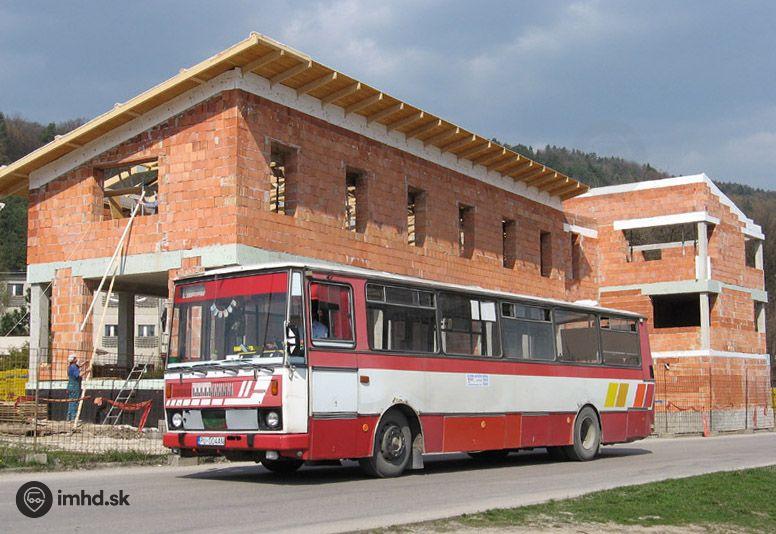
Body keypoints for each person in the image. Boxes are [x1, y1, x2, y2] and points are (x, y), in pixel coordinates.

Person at [66, 354, 83, 421]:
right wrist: (87, 370)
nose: (77, 359)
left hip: (70, 386)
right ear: (73, 360)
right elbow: (79, 375)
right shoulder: (74, 367)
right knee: (75, 402)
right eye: (75, 358)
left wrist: (85, 363)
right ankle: (74, 417)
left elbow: (79, 366)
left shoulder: (70, 367)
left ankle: (69, 417)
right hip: (75, 386)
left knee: (70, 402)